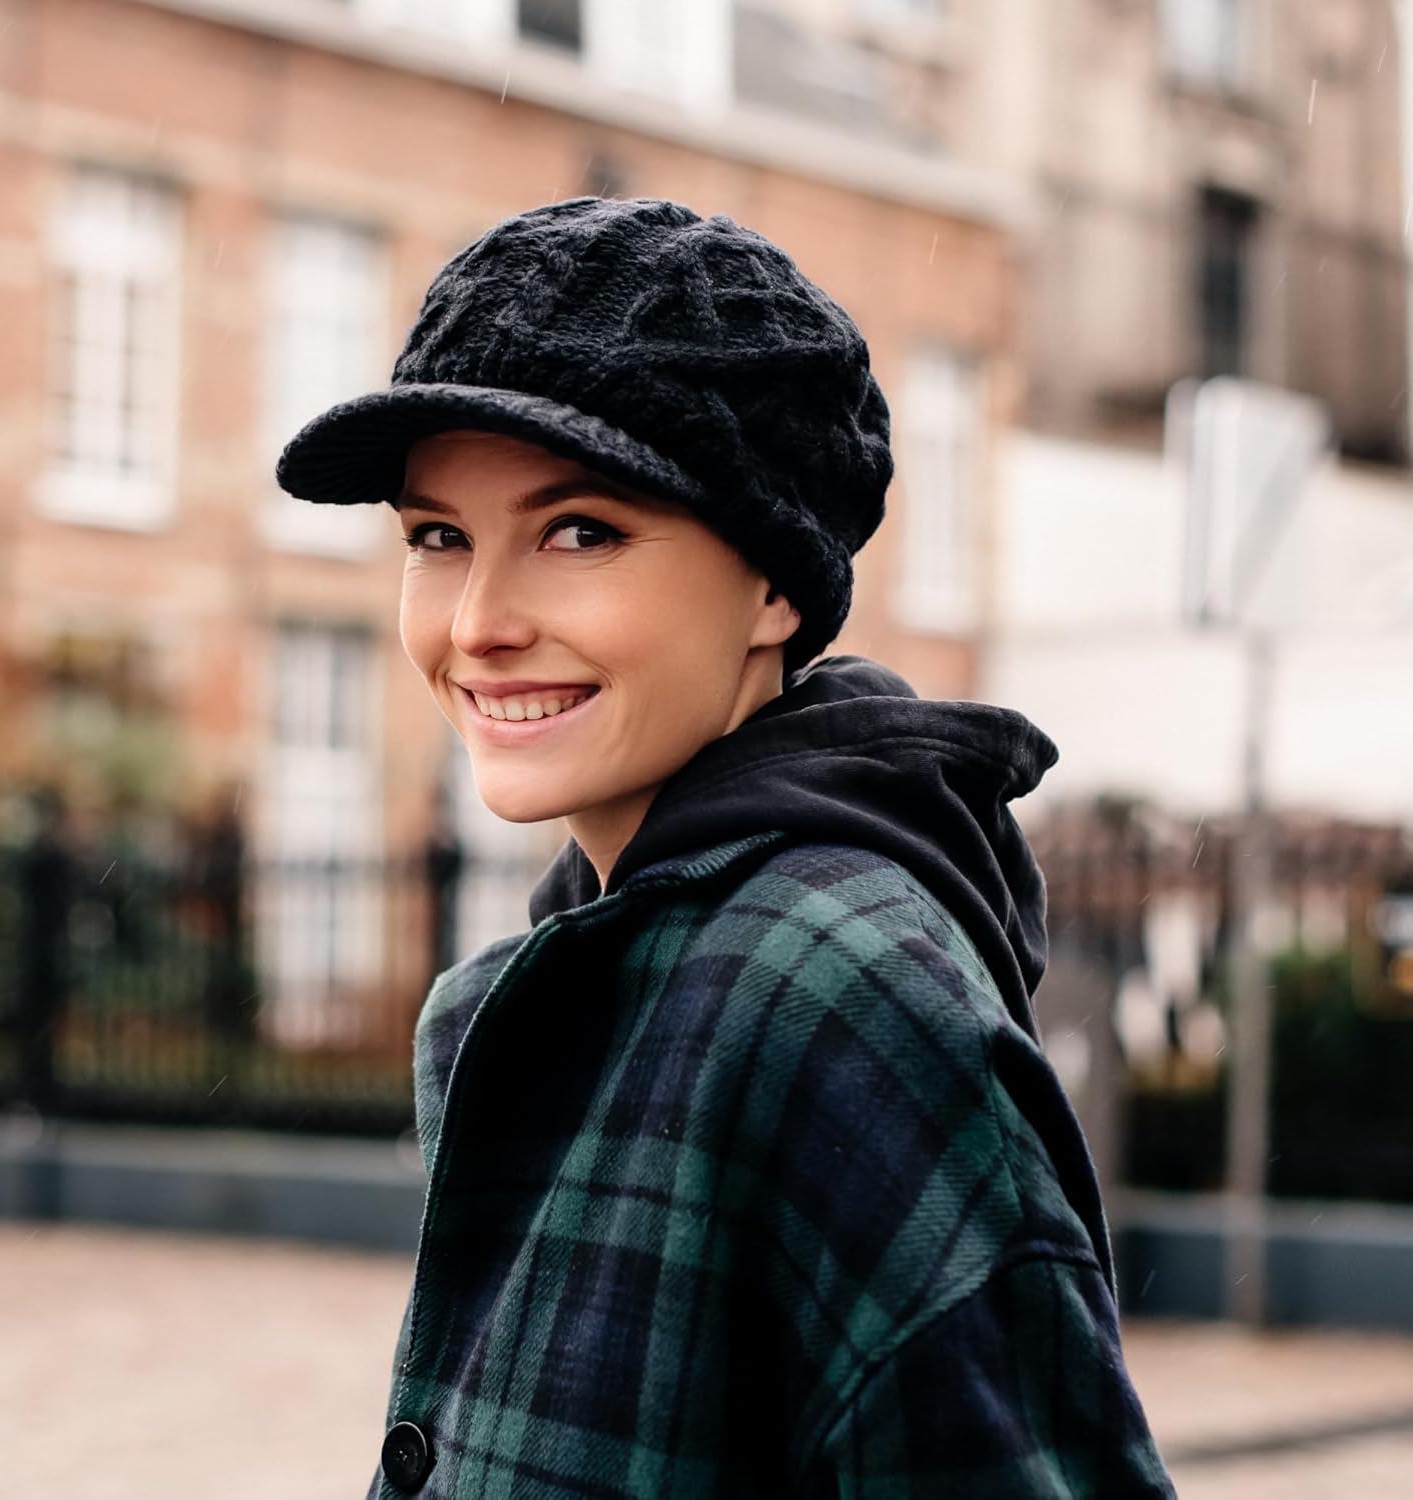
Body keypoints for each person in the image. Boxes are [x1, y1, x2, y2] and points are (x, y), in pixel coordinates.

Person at [277, 196, 1176, 1499]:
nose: (478, 623)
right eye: (437, 538)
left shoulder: (839, 991)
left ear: (777, 586)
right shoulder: (524, 1000)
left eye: (578, 531)